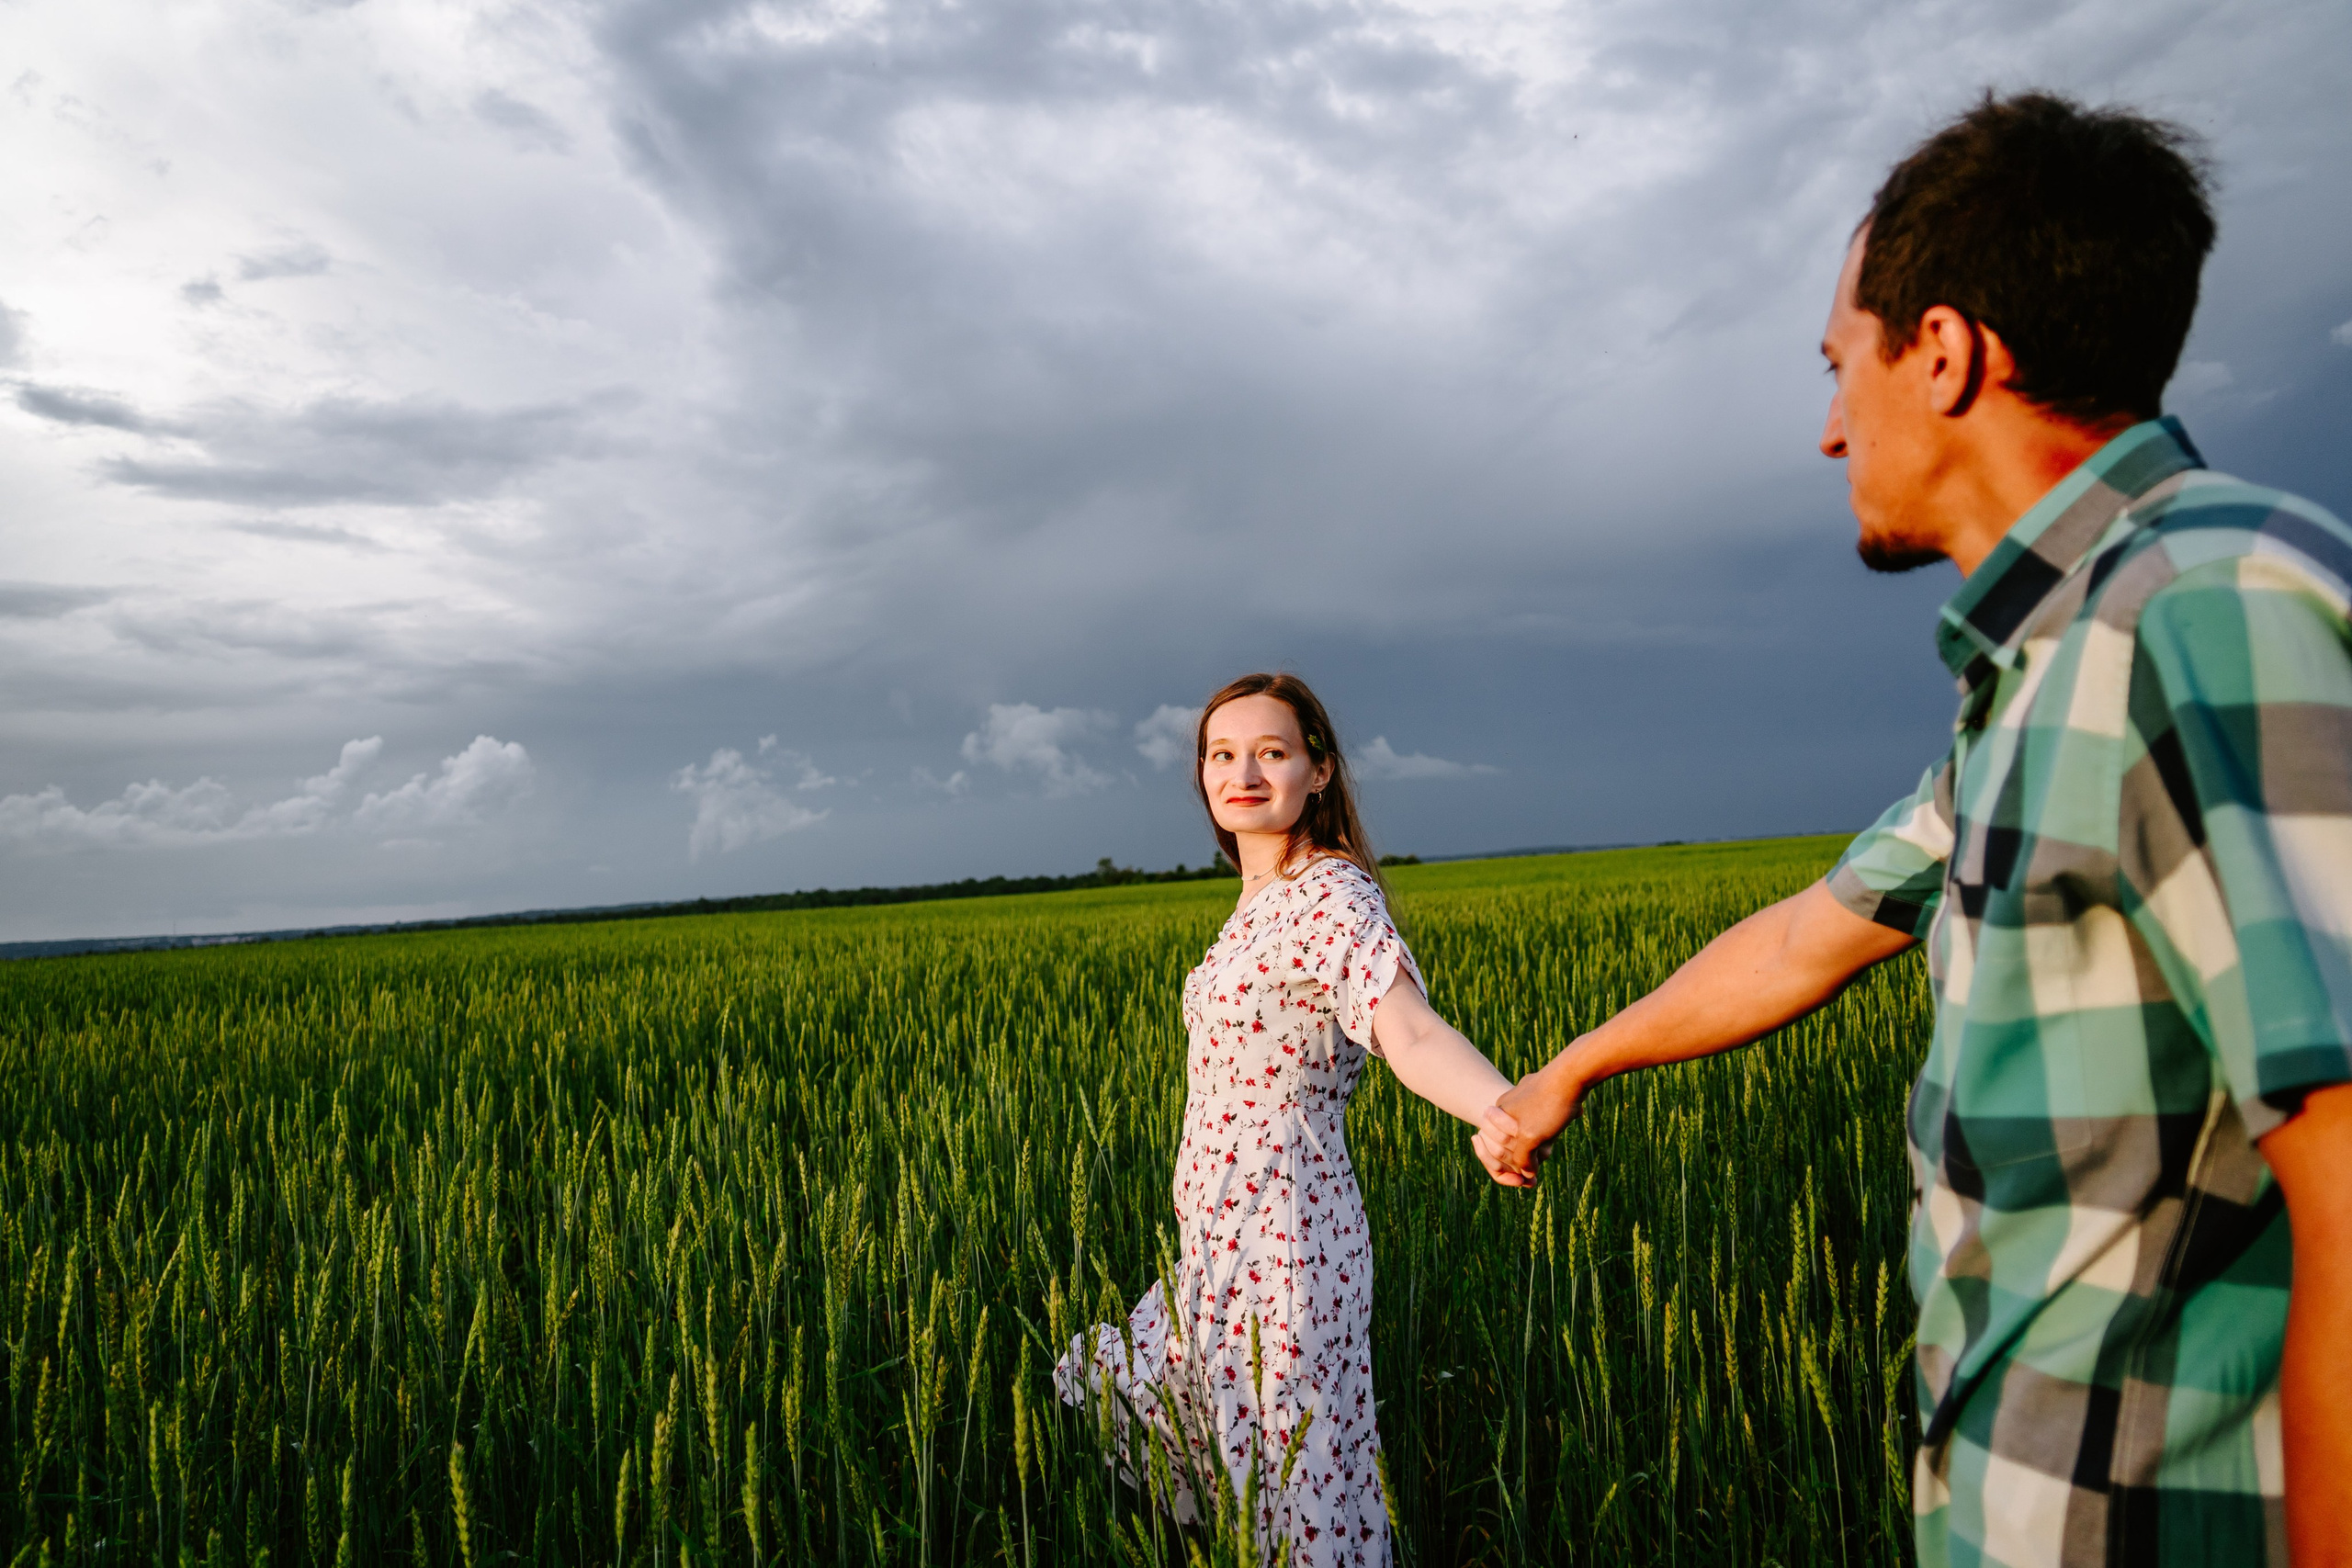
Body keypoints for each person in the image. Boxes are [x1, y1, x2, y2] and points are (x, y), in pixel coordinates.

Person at [1475, 94, 2352, 1567]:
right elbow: (1813, 931)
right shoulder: (2046, 671)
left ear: (1943, 351)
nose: (1827, 429)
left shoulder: (2204, 614)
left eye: (1841, 366)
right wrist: (1570, 1067)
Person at [1055, 671, 1516, 1567]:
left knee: (1303, 1468)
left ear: (1320, 771)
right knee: (1200, 1425)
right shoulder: (1262, 899)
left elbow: (1409, 1030)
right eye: (1222, 755)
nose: (1244, 773)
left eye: (1272, 752)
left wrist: (1500, 1109)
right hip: (1220, 1228)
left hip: (1285, 1231)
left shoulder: (1329, 897)